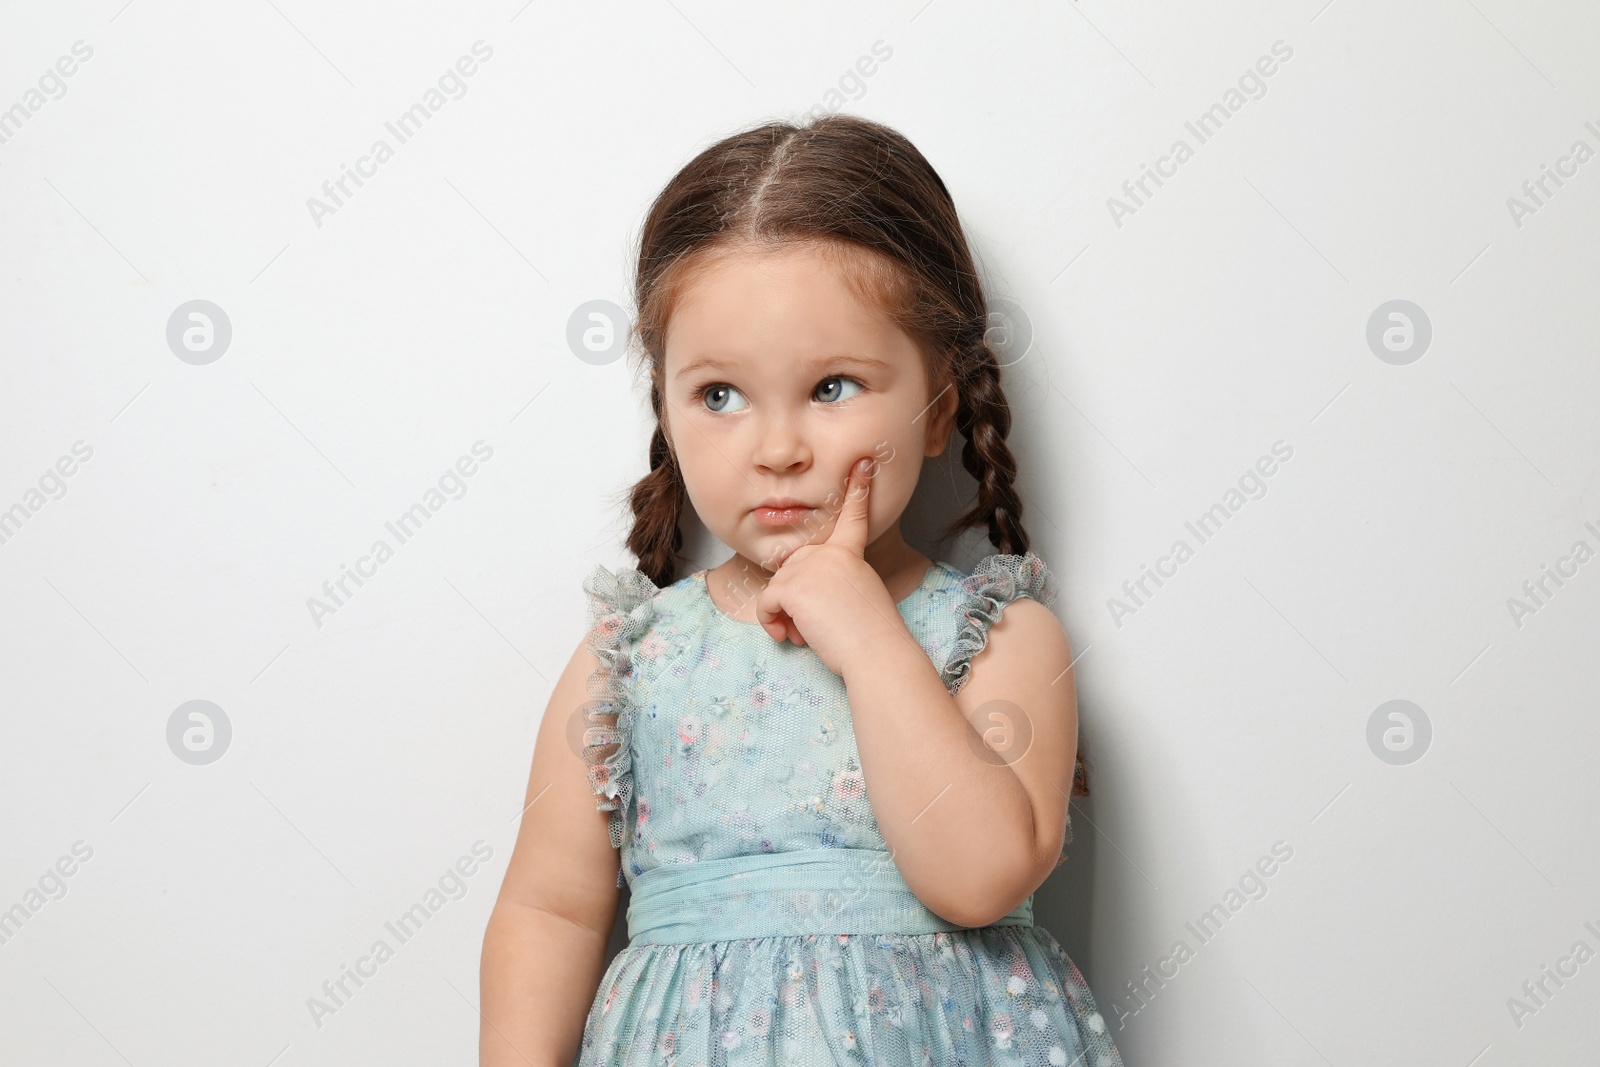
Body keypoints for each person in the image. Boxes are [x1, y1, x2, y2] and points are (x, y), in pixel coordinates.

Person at [480, 112, 1124, 1066]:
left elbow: (981, 876)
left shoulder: (996, 637)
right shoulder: (631, 661)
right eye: (719, 396)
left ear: (939, 407)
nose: (777, 449)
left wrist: (869, 639)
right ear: (664, 405)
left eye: (832, 387)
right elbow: (550, 908)